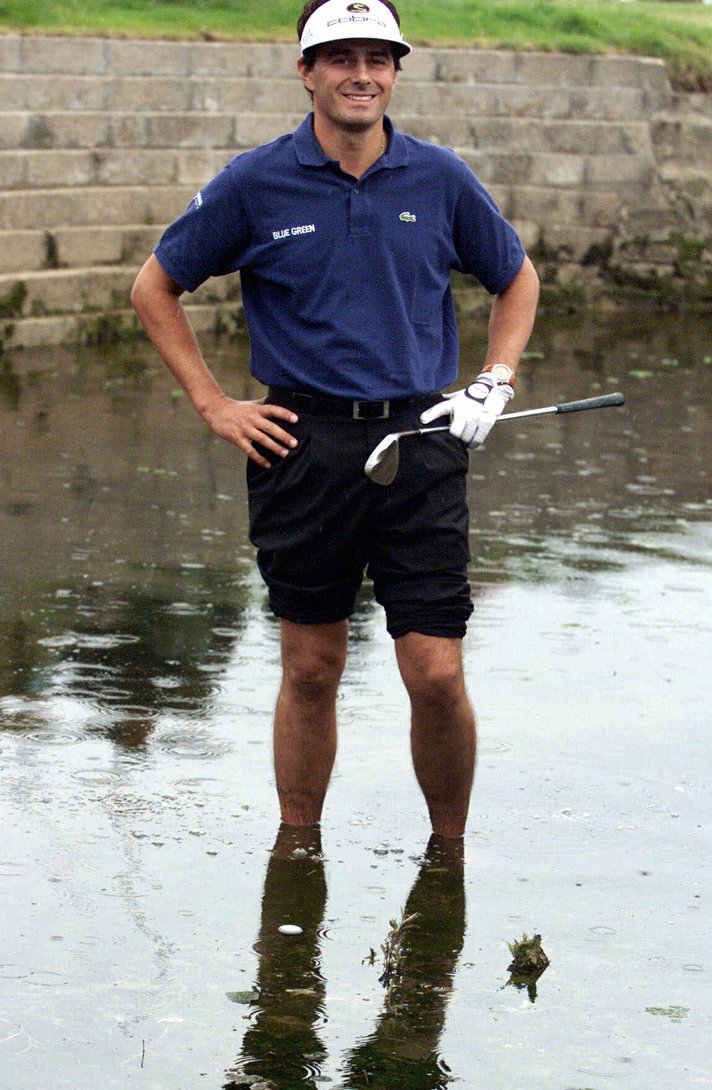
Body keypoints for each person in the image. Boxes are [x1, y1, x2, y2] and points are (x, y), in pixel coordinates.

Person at [131, 0, 540, 841]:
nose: (362, 74)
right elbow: (154, 288)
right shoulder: (256, 181)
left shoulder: (440, 177)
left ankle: (448, 851)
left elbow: (517, 279)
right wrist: (214, 404)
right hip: (301, 444)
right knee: (312, 666)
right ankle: (299, 847)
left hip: (424, 441)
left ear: (396, 70)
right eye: (341, 57)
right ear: (307, 72)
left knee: (434, 671)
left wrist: (493, 380)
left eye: (378, 58)